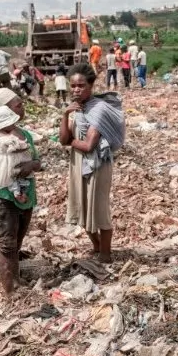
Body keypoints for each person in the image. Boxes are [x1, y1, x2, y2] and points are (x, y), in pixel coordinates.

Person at [59, 63, 125, 263]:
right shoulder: (78, 109)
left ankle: (105, 254)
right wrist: (65, 114)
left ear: (91, 85)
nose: (76, 90)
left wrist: (71, 142)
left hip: (97, 165)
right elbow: (62, 139)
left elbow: (88, 145)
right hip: (79, 164)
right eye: (73, 86)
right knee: (82, 206)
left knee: (100, 209)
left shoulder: (98, 109)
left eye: (81, 85)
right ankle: (96, 246)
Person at [0, 88, 41, 295]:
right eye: (18, 104)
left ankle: (15, 280)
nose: (22, 107)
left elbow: (37, 162)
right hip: (6, 198)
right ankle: (9, 295)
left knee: (17, 242)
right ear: (4, 110)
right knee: (7, 246)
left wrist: (31, 166)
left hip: (27, 195)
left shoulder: (24, 135)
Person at [0, 107, 34, 204]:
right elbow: (15, 147)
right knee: (12, 180)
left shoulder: (15, 132)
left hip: (18, 164)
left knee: (21, 179)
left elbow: (23, 144)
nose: (13, 125)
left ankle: (21, 193)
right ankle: (17, 194)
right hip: (6, 166)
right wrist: (18, 140)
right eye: (11, 124)